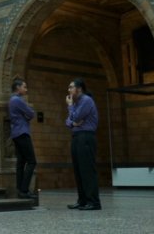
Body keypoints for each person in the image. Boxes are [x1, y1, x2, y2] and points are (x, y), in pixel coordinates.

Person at [65, 78, 101, 210]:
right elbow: (68, 122)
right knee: (79, 171)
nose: (68, 90)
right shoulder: (76, 102)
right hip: (77, 137)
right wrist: (73, 122)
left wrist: (70, 109)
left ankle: (94, 202)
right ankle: (82, 200)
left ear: (79, 89)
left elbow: (75, 117)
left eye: (71, 87)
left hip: (86, 136)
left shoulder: (86, 100)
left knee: (87, 171)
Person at [9, 78, 37, 199]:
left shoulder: (12, 100)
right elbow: (31, 113)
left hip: (16, 133)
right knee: (32, 161)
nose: (26, 89)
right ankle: (24, 189)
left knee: (21, 162)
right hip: (22, 132)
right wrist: (27, 116)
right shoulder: (17, 100)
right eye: (24, 87)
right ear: (18, 88)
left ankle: (20, 189)